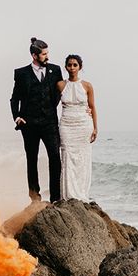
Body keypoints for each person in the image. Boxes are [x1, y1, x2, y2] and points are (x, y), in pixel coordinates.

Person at [10, 37, 63, 202]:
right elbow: (14, 98)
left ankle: (55, 197)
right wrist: (17, 117)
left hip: (50, 123)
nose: (47, 57)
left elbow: (59, 94)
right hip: (29, 124)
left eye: (47, 53)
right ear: (34, 55)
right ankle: (35, 197)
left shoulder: (56, 70)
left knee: (55, 158)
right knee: (31, 159)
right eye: (44, 54)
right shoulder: (21, 73)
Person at [57, 54, 98, 201]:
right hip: (66, 125)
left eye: (75, 65)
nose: (72, 68)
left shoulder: (87, 85)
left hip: (83, 125)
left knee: (82, 159)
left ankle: (81, 194)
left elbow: (92, 107)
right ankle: (68, 195)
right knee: (67, 157)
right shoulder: (60, 85)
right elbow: (50, 105)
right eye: (69, 65)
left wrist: (95, 128)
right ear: (66, 67)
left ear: (80, 67)